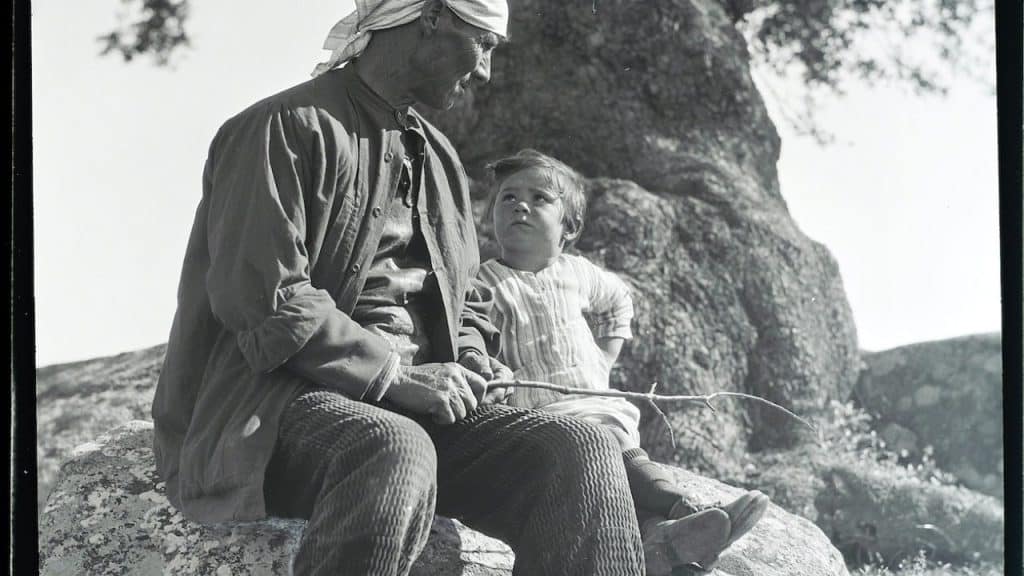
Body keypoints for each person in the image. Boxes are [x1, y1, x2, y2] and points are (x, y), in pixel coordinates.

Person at [150, 3, 651, 575]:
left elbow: (466, 303)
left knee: (578, 447)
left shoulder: (439, 159)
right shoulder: (282, 127)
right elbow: (265, 296)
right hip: (279, 406)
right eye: (483, 42)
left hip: (417, 408)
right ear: (432, 16)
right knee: (394, 447)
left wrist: (470, 359)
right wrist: (395, 377)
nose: (485, 69)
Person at [476, 149, 771, 574]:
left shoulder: (577, 273)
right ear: (491, 216)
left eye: (540, 198)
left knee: (616, 450)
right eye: (508, 197)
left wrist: (605, 355)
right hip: (539, 408)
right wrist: (493, 370)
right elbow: (473, 335)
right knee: (596, 450)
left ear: (569, 228)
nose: (521, 204)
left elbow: (619, 300)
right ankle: (684, 514)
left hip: (594, 398)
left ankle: (665, 532)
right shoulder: (486, 280)